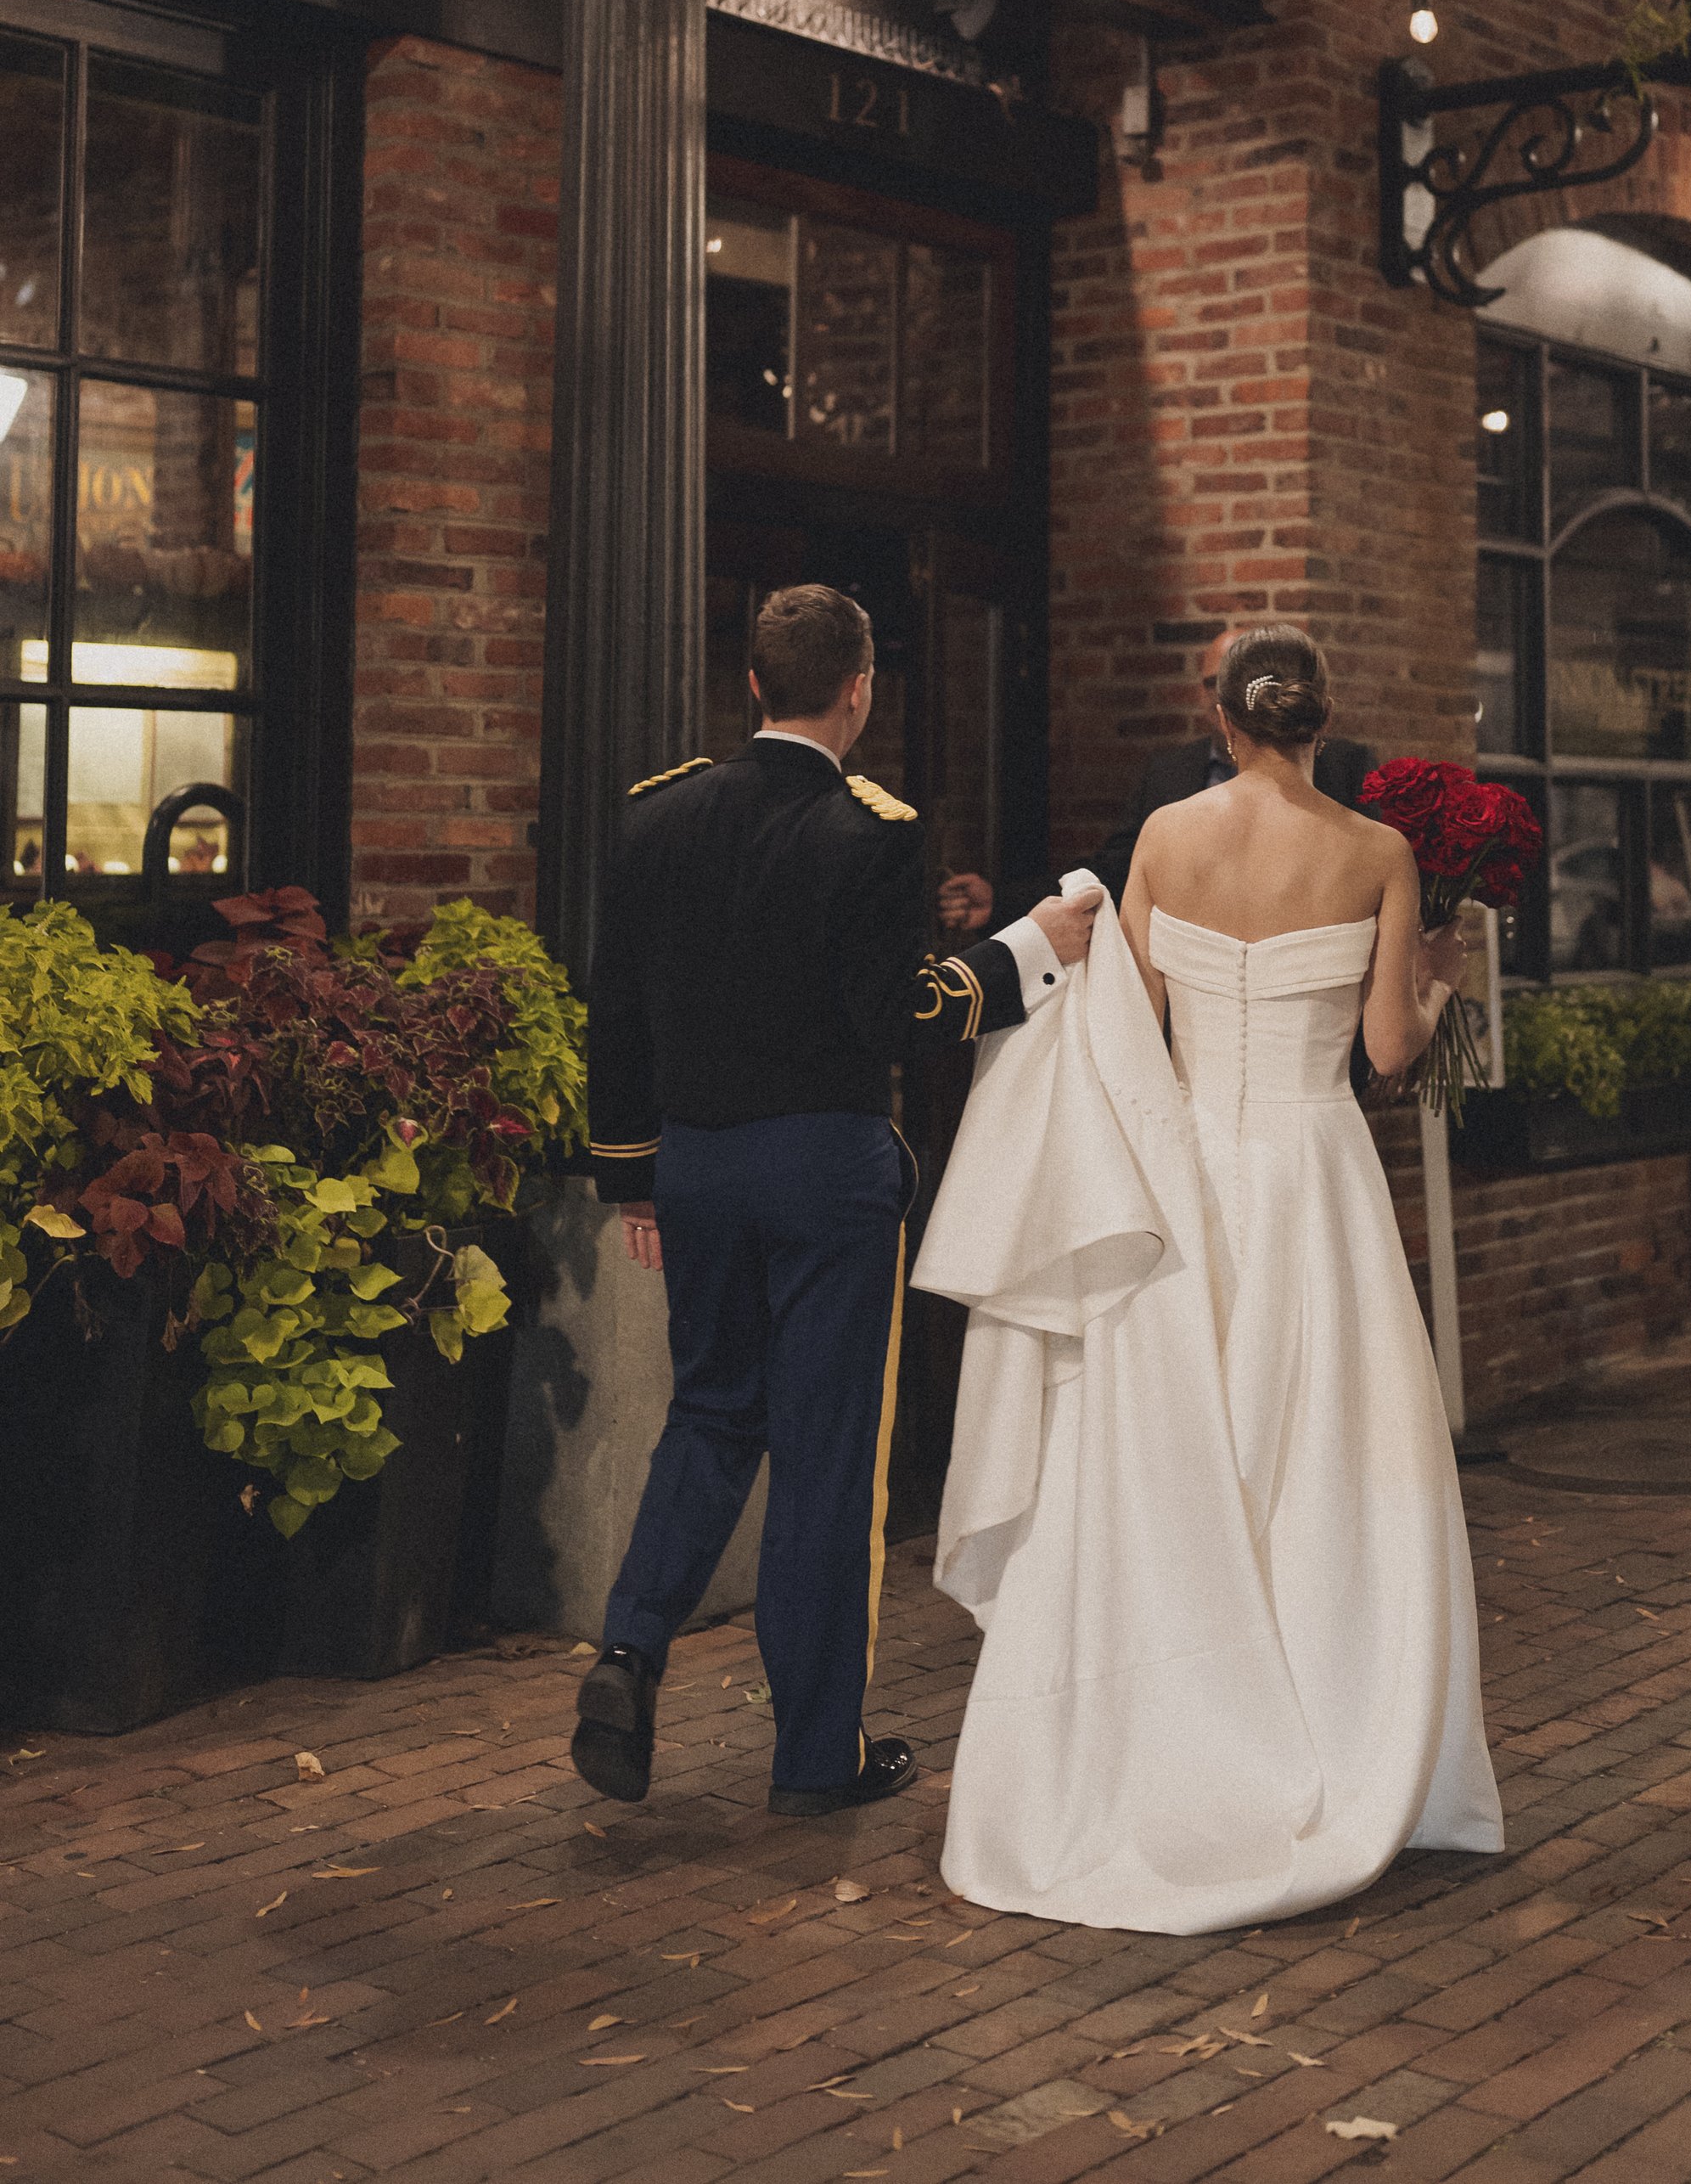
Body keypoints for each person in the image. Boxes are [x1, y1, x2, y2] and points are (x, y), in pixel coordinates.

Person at [914, 620, 1503, 1931]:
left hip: (1190, 1178)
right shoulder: (1381, 850)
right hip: (1317, 1179)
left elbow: (1131, 1026)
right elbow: (1391, 1052)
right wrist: (1443, 973)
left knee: (1184, 1448)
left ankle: (1179, 1710)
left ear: (1224, 720)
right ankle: (1337, 1708)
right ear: (1321, 721)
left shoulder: (1169, 838)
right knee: (1331, 1452)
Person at [571, 583, 1101, 1816]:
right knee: (823, 1457)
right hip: (823, 1172)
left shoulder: (657, 816)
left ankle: (630, 1647)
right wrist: (1027, 948)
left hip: (694, 1164)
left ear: (752, 684)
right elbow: (902, 1014)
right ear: (858, 690)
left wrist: (632, 1173)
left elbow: (620, 1012)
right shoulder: (875, 828)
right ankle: (815, 1756)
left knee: (708, 1415)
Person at [935, 623, 1378, 935]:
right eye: (1211, 682)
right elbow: (1114, 869)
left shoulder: (1344, 767)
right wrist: (1005, 902)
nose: (1219, 696)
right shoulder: (1170, 775)